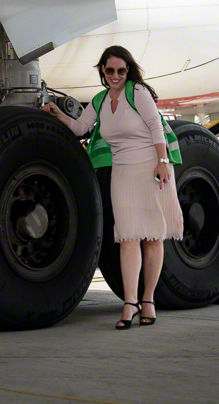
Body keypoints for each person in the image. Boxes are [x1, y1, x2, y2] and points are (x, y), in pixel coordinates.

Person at [42, 45, 183, 329]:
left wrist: (163, 161)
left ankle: (148, 301)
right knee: (127, 237)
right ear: (103, 72)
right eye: (110, 71)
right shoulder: (100, 100)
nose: (116, 75)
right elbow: (81, 127)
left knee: (152, 237)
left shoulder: (138, 93)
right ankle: (129, 303)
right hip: (122, 172)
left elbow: (156, 126)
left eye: (121, 70)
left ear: (127, 70)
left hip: (151, 168)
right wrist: (58, 113)